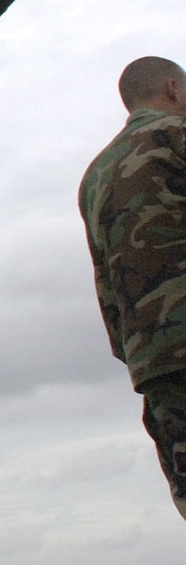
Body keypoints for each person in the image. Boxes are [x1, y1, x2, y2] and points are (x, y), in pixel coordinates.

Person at [80, 55, 186, 524]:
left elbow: (107, 288)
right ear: (173, 88)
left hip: (157, 366)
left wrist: (144, 354)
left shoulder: (95, 176)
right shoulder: (177, 136)